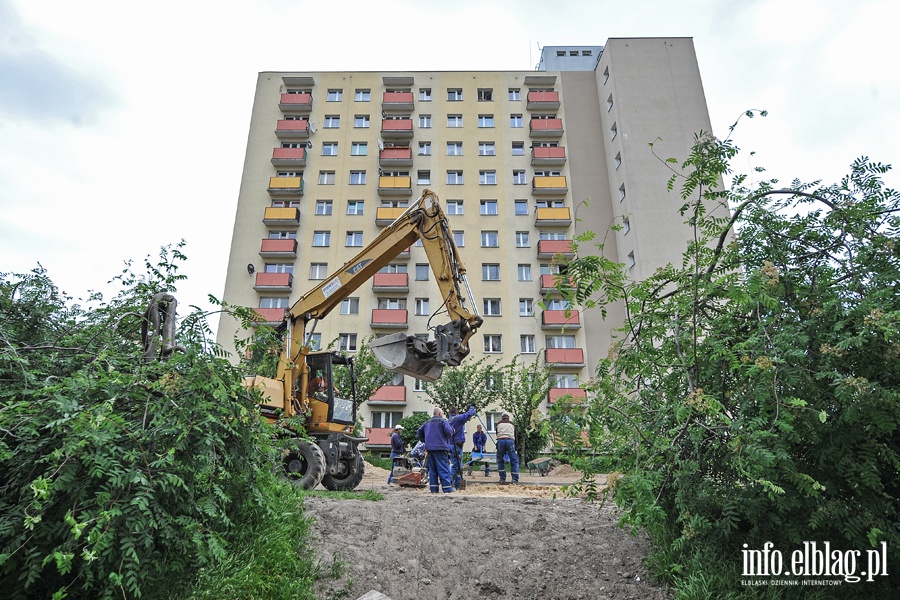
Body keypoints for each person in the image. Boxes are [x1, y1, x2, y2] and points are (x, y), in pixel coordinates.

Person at [417, 407, 455, 493]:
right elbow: (449, 432)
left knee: (432, 470)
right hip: (440, 448)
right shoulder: (442, 421)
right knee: (443, 469)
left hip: (430, 449)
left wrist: (425, 440)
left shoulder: (427, 422)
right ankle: (447, 489)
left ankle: (434, 489)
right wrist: (452, 431)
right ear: (439, 414)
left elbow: (419, 432)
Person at [447, 406, 476, 489]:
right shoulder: (457, 419)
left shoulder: (448, 420)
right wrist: (472, 407)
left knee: (457, 465)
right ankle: (448, 484)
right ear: (456, 412)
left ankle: (457, 485)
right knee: (456, 466)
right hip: (457, 445)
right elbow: (469, 414)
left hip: (451, 445)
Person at [495, 413, 520, 484]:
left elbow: (497, 434)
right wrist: (516, 447)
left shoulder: (498, 424)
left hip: (501, 441)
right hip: (510, 441)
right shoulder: (512, 424)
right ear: (508, 418)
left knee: (500, 460)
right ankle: (514, 479)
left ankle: (502, 479)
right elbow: (515, 436)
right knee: (514, 460)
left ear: (502, 418)